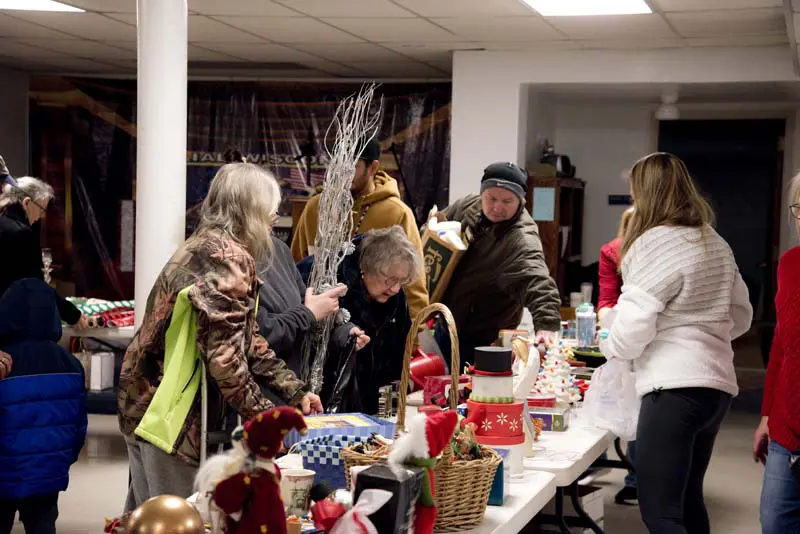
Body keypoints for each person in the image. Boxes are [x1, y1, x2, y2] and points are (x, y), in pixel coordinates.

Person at [118, 162, 322, 510]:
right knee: (179, 521)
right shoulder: (230, 260)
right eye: (271, 207)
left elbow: (248, 340)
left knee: (144, 519)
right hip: (171, 418)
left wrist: (294, 390)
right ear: (252, 210)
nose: (276, 215)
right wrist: (268, 420)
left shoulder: (200, 245)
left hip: (142, 400)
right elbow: (227, 362)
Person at [599, 152, 752, 534]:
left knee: (660, 513)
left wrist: (609, 343)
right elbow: (740, 313)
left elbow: (632, 328)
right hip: (716, 388)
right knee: (687, 502)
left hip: (673, 390)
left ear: (646, 194)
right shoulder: (714, 241)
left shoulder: (654, 243)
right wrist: (703, 338)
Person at [290, 137, 429, 320]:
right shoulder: (316, 208)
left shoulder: (396, 214)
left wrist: (415, 339)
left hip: (376, 334)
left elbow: (413, 286)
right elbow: (294, 272)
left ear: (373, 168)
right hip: (318, 327)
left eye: (351, 166)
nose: (341, 173)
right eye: (337, 164)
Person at [440, 162, 561, 362]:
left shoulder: (521, 239)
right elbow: (434, 231)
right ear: (482, 194)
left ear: (521, 200)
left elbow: (537, 280)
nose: (497, 207)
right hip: (446, 325)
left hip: (487, 341)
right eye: (491, 198)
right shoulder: (468, 205)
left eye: (507, 201)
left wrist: (546, 325)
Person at [298, 226, 417, 415]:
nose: (395, 289)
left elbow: (398, 358)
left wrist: (393, 410)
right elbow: (306, 342)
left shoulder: (396, 298)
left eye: (402, 281)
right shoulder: (327, 276)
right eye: (390, 280)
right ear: (366, 268)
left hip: (375, 406)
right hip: (325, 404)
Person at [0, 278, 87, 534]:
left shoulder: (4, 363)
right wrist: (59, 463)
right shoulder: (71, 364)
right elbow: (78, 427)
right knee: (42, 526)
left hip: (4, 475)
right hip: (49, 476)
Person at [756, 172, 800, 534]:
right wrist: (767, 417)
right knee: (774, 524)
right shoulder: (790, 264)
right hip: (787, 431)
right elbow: (781, 348)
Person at [256, 234, 352, 375]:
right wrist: (307, 313)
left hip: (290, 382)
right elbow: (258, 335)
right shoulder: (231, 259)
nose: (275, 215)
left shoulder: (278, 248)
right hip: (257, 386)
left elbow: (304, 303)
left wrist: (343, 331)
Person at [0, 176, 87, 328]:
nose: (41, 216)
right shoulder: (21, 234)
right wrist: (73, 314)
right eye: (41, 209)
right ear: (26, 202)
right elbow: (37, 286)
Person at [597, 206, 638, 505]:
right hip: (624, 332)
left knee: (643, 409)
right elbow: (607, 299)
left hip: (654, 339)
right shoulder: (612, 253)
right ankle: (595, 462)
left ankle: (637, 479)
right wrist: (611, 322)